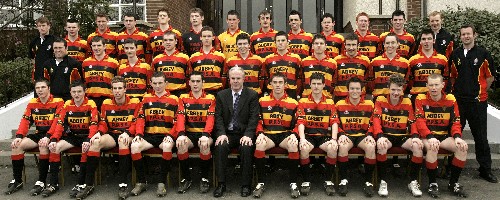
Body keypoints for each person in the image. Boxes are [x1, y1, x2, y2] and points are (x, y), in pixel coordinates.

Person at [450, 24, 497, 183]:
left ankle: (485, 170)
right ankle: (451, 168)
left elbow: (490, 78)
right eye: (463, 34)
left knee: (481, 137)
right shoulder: (455, 54)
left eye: (468, 34)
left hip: (477, 102)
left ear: (474, 35)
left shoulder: (483, 54)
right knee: (455, 135)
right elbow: (452, 76)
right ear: (460, 36)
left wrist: (480, 91)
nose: (466, 37)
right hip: (459, 102)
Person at [5, 79, 64, 196]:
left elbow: (58, 122)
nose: (40, 90)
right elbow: (25, 121)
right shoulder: (32, 102)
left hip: (54, 135)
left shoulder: (59, 101)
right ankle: (17, 180)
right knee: (16, 146)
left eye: (43, 87)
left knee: (43, 146)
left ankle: (41, 181)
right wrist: (19, 136)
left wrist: (48, 137)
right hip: (39, 134)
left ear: (49, 89)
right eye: (37, 88)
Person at [41, 80, 99, 198]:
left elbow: (94, 124)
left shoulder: (91, 103)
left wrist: (89, 139)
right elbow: (60, 123)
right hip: (72, 137)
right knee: (54, 148)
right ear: (70, 93)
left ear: (85, 92)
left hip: (86, 136)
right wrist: (53, 139)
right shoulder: (67, 104)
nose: (76, 94)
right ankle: (53, 184)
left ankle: (81, 184)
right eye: (74, 92)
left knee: (86, 148)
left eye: (79, 91)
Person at [415, 73, 468, 198]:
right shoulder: (420, 98)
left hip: (443, 135)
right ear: (427, 85)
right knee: (433, 147)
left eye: (436, 85)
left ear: (442, 85)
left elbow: (455, 121)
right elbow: (420, 121)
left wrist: (457, 137)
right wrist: (429, 136)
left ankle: (453, 183)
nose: (434, 88)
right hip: (426, 136)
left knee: (462, 148)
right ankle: (433, 184)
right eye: (431, 85)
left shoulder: (451, 99)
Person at [130, 72, 181, 197]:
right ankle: (141, 181)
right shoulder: (146, 98)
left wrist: (171, 135)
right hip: (149, 136)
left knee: (168, 147)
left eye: (160, 83)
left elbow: (178, 121)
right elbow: (140, 118)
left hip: (166, 136)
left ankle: (161, 183)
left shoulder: (174, 100)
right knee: (134, 146)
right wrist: (139, 134)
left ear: (166, 83)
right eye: (155, 83)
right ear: (151, 83)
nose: (157, 86)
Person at [372, 74, 423, 197]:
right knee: (382, 146)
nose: (395, 92)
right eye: (393, 89)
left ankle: (413, 181)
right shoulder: (380, 100)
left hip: (402, 136)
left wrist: (415, 136)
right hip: (386, 135)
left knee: (417, 147)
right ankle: (383, 181)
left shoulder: (407, 101)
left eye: (398, 90)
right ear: (388, 88)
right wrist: (379, 136)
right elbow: (376, 120)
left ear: (403, 89)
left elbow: (412, 121)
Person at [213, 66, 259, 198]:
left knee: (246, 148)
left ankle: (246, 185)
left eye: (238, 78)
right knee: (220, 146)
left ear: (244, 79)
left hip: (244, 133)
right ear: (229, 79)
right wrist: (221, 133)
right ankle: (221, 184)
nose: (235, 81)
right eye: (233, 78)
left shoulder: (252, 95)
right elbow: (218, 117)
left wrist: (248, 135)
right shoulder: (222, 95)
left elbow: (253, 118)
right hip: (227, 133)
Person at [252, 72, 300, 198]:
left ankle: (293, 183)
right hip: (269, 134)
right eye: (275, 82)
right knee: (259, 144)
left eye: (280, 83)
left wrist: (295, 134)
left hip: (285, 134)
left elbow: (299, 122)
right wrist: (260, 133)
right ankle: (260, 182)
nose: (278, 85)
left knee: (293, 145)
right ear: (270, 84)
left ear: (285, 85)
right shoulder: (262, 101)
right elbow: (257, 120)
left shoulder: (293, 102)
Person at [93, 76, 140, 200]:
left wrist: (128, 133)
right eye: (115, 88)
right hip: (112, 134)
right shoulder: (106, 103)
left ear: (125, 89)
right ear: (111, 90)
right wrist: (99, 132)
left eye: (120, 88)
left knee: (122, 141)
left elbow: (136, 123)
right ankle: (87, 183)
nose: (117, 91)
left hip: (128, 135)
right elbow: (103, 123)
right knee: (95, 142)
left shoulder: (135, 102)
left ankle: (123, 183)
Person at [296, 73, 338, 196]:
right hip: (309, 136)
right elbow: (301, 121)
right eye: (313, 83)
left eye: (319, 84)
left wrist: (334, 139)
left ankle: (328, 180)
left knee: (332, 148)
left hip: (324, 136)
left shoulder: (330, 102)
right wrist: (302, 139)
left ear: (324, 85)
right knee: (303, 148)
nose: (316, 86)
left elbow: (334, 122)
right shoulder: (303, 101)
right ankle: (306, 181)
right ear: (309, 84)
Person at [335, 77, 376, 197]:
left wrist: (370, 134)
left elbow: (374, 122)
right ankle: (343, 180)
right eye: (352, 88)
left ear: (362, 90)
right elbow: (335, 123)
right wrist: (341, 133)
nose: (354, 91)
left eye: (357, 88)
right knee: (342, 146)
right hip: (347, 135)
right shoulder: (339, 104)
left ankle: (368, 181)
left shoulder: (369, 104)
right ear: (347, 90)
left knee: (371, 146)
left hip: (363, 135)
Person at [176, 71, 216, 194]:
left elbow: (211, 119)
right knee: (181, 145)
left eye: (198, 81)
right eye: (192, 81)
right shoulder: (182, 98)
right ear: (189, 83)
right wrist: (181, 134)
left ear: (203, 83)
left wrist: (206, 134)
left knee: (205, 145)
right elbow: (181, 118)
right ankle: (187, 178)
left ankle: (204, 178)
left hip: (205, 134)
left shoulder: (211, 98)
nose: (195, 84)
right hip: (189, 134)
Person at [409, 29, 449, 103]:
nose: (426, 41)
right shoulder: (412, 60)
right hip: (417, 98)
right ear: (420, 42)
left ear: (434, 41)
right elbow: (410, 80)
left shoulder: (442, 59)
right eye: (424, 39)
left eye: (429, 39)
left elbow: (445, 79)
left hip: (436, 98)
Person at [82, 36, 120, 110]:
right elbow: (83, 81)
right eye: (94, 46)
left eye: (99, 45)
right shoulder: (85, 63)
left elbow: (117, 81)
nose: (96, 48)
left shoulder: (114, 63)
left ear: (104, 46)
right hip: (90, 99)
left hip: (108, 99)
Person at [42, 37, 83, 101]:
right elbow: (44, 83)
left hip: (69, 100)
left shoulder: (74, 64)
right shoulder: (47, 64)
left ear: (66, 48)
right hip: (52, 100)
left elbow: (80, 83)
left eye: (60, 48)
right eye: (55, 48)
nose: (58, 50)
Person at [370, 33, 410, 98]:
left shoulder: (405, 63)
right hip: (379, 98)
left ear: (398, 44)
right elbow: (370, 81)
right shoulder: (375, 62)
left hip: (397, 99)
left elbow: (406, 82)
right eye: (387, 43)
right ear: (384, 44)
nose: (390, 45)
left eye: (393, 43)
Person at [263, 31, 302, 98]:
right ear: (275, 43)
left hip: (291, 91)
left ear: (287, 42)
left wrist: (296, 91)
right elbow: (266, 77)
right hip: (273, 92)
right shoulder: (268, 59)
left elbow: (299, 77)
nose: (280, 43)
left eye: (283, 40)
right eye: (278, 41)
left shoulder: (296, 58)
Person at [333, 33, 371, 102]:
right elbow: (333, 80)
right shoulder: (336, 60)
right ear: (345, 45)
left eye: (353, 45)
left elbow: (368, 81)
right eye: (348, 45)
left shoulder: (366, 60)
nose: (351, 48)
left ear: (358, 46)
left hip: (359, 98)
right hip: (340, 98)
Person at [189, 26, 226, 95]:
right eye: (204, 36)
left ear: (213, 37)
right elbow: (190, 76)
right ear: (200, 38)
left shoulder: (221, 56)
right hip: (199, 92)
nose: (206, 38)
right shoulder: (193, 57)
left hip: (216, 91)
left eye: (209, 36)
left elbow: (224, 77)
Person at [151, 31, 190, 97]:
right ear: (162, 43)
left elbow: (188, 77)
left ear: (176, 42)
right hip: (162, 93)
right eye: (165, 40)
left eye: (171, 40)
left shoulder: (184, 58)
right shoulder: (156, 59)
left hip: (179, 92)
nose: (168, 42)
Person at [301, 34, 337, 99]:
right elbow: (301, 81)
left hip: (326, 99)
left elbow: (334, 83)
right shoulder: (304, 62)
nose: (319, 45)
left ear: (325, 46)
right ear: (312, 46)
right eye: (316, 43)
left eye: (321, 43)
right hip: (307, 99)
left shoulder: (333, 63)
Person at [29, 16, 55, 83]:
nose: (41, 28)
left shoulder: (55, 40)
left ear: (49, 26)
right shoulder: (34, 42)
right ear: (37, 27)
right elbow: (32, 58)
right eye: (39, 26)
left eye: (43, 25)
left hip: (52, 75)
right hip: (38, 76)